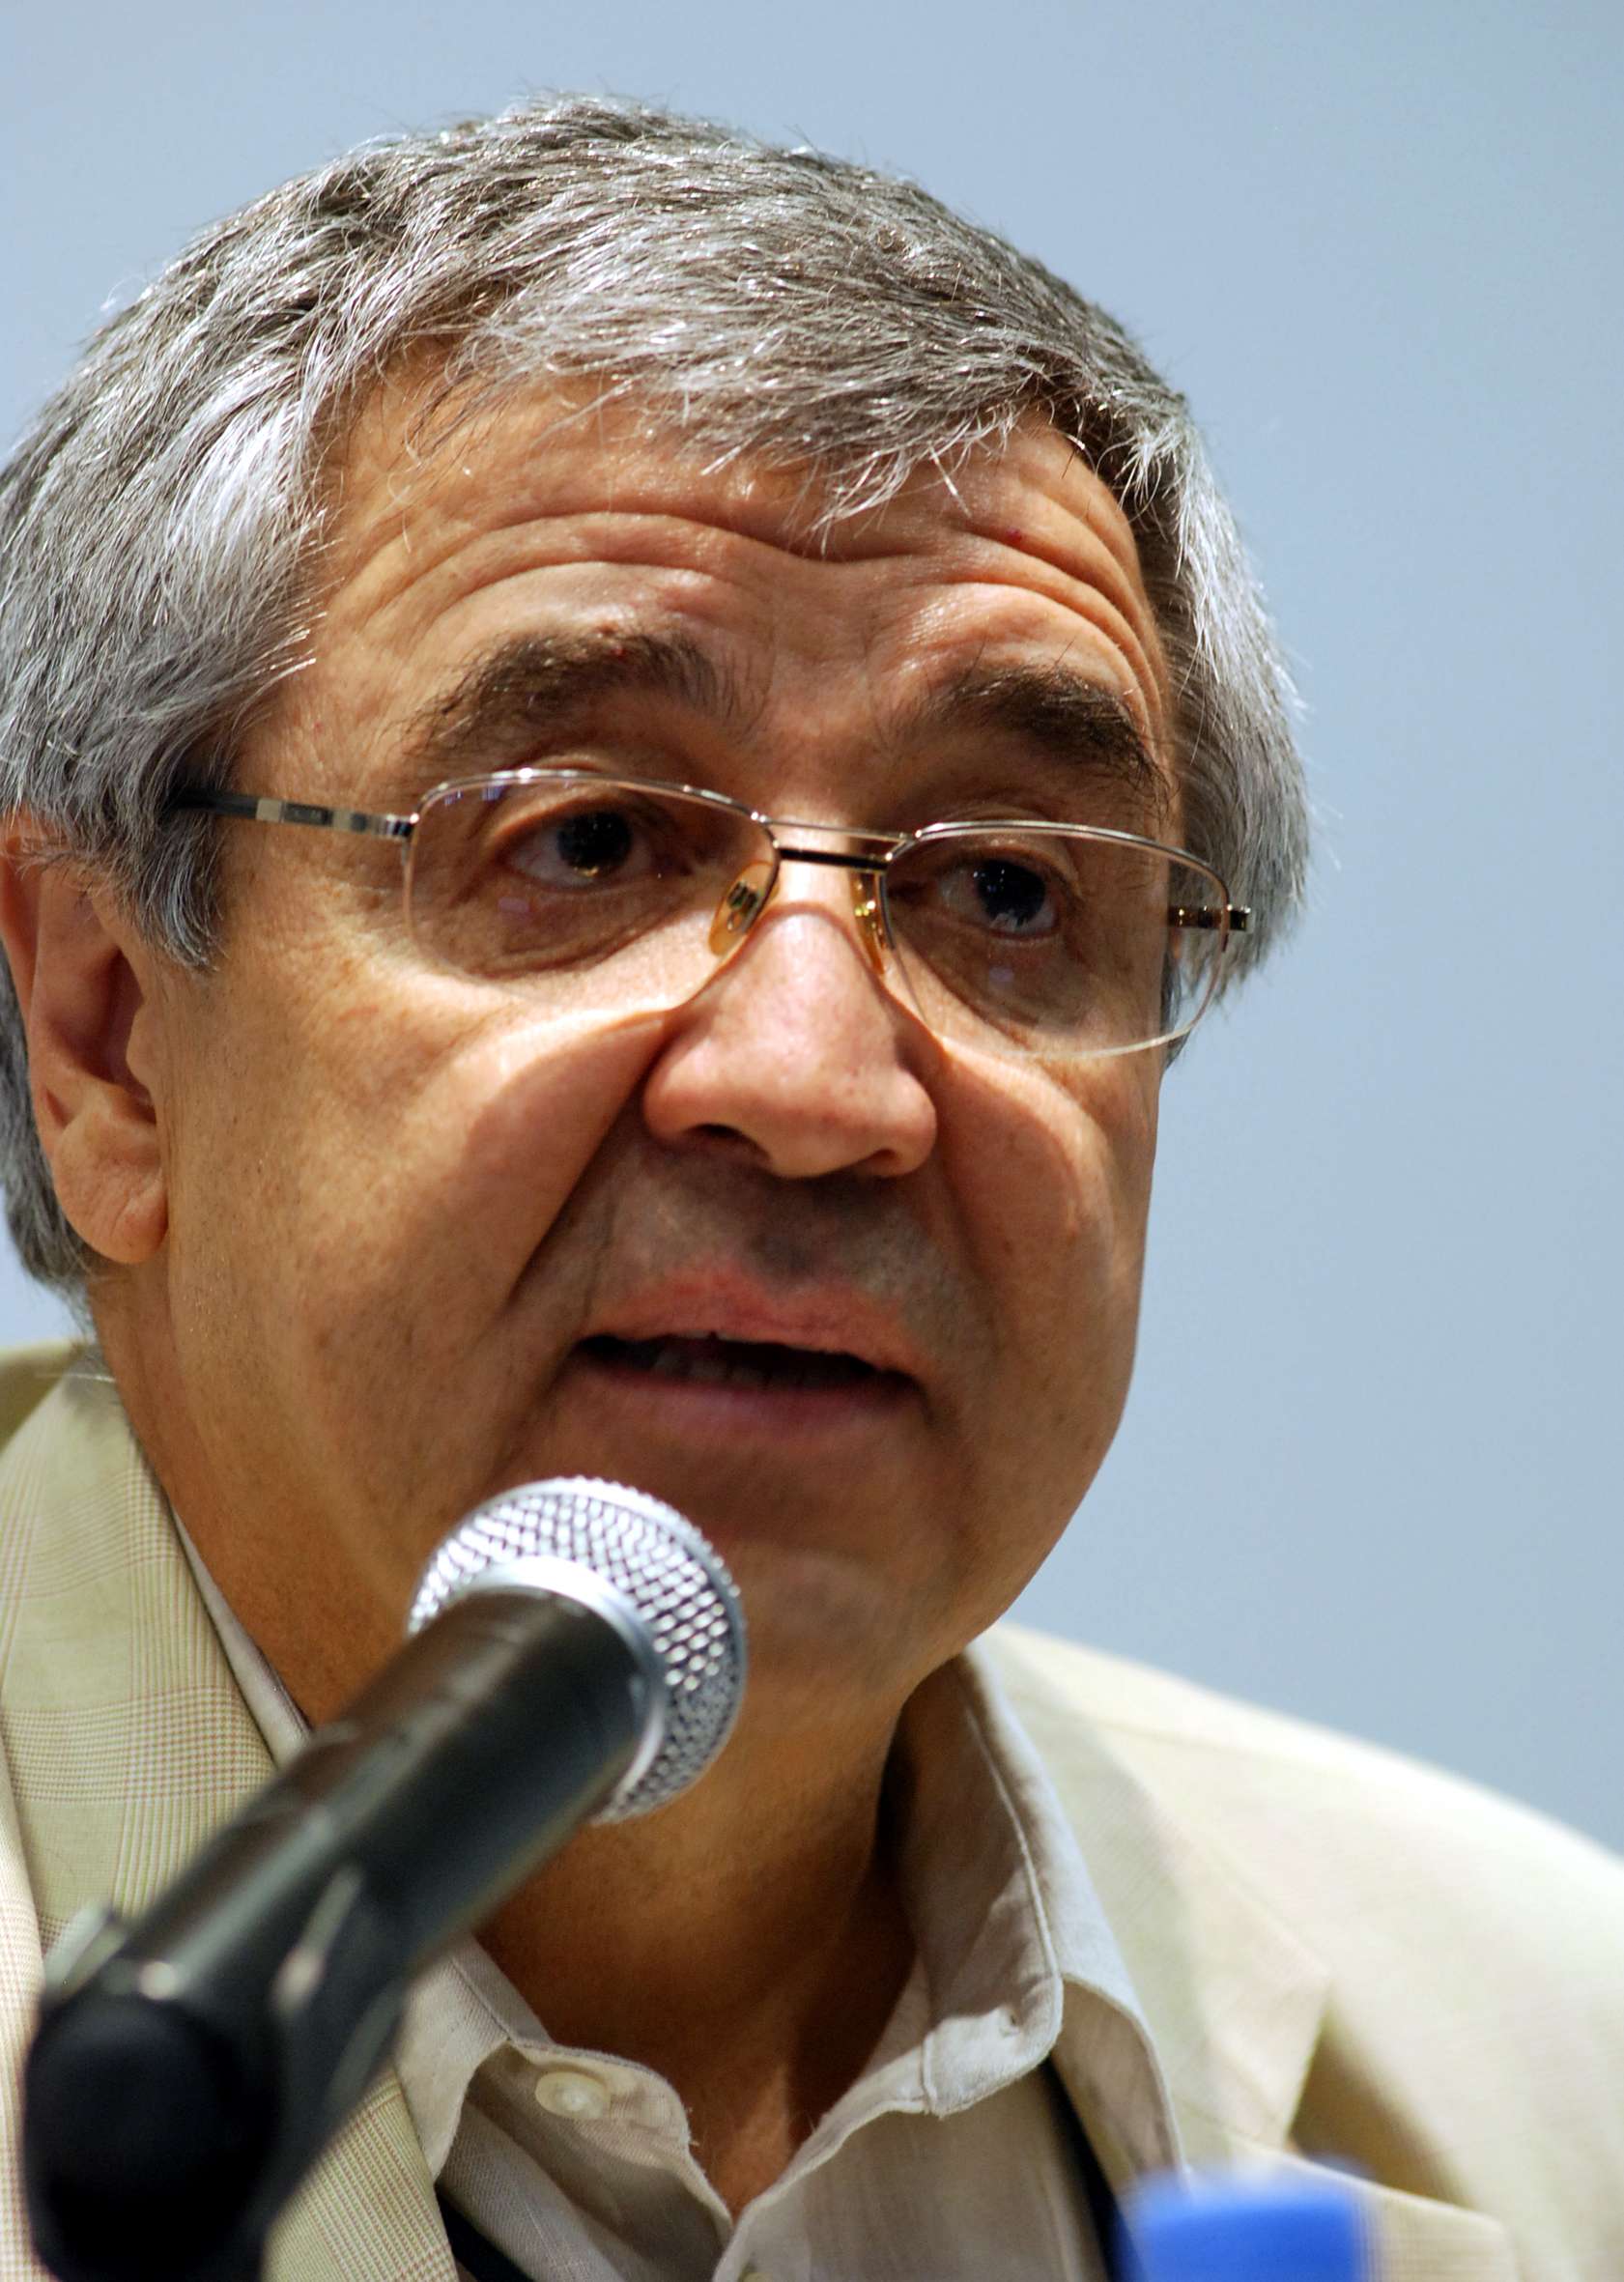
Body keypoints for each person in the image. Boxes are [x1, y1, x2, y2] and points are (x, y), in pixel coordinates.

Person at [0, 96, 1617, 2282]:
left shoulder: (1556, 2052)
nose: (818, 1082)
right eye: (583, 841)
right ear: (104, 1035)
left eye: (1006, 887)